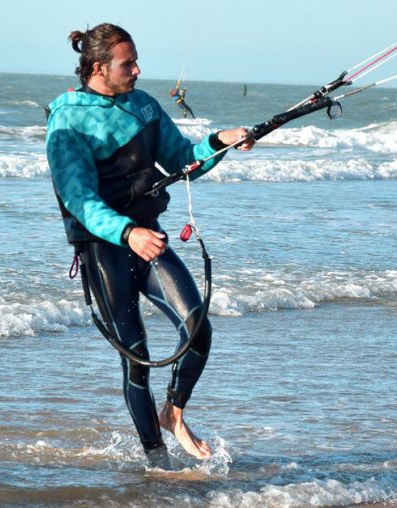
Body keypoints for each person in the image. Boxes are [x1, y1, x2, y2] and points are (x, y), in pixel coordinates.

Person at [45, 22, 253, 469]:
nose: (137, 70)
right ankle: (157, 462)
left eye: (136, 61)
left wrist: (221, 141)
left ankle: (173, 414)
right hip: (107, 247)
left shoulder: (144, 106)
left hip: (150, 239)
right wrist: (126, 233)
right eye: (128, 63)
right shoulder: (67, 117)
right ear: (99, 67)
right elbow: (78, 198)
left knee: (198, 329)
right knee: (136, 359)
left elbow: (184, 162)